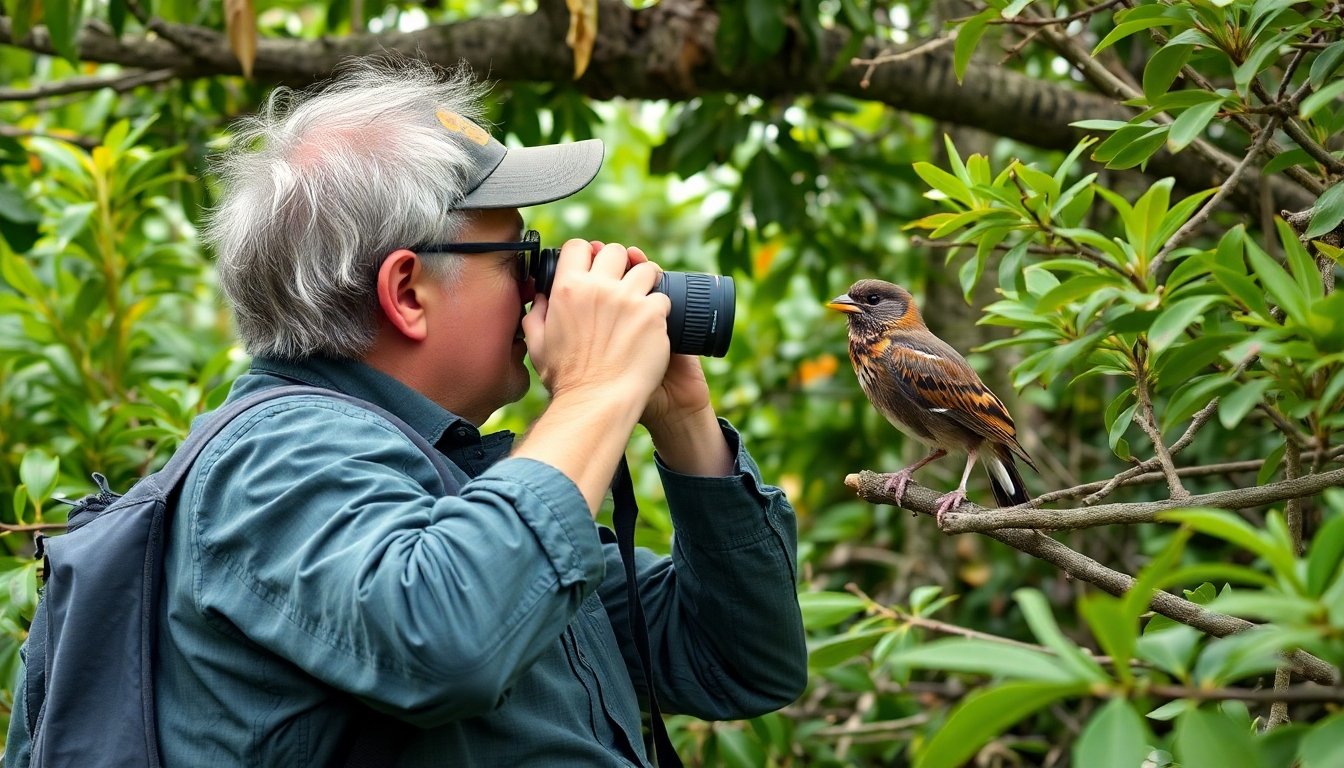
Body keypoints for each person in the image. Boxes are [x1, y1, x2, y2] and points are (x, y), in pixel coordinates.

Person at [16, 57, 806, 765]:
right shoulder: (274, 457)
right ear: (406, 292)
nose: (544, 284)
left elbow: (740, 663)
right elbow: (443, 638)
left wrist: (680, 417)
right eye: (520, 256)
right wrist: (594, 393)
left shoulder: (446, 488)